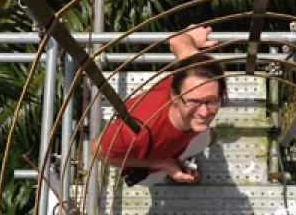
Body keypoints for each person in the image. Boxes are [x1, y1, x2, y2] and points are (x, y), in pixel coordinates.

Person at [93, 25, 227, 186]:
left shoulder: (200, 72)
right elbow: (98, 152)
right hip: (153, 161)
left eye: (212, 101)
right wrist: (161, 164)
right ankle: (172, 169)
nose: (204, 112)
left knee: (208, 136)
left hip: (183, 141)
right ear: (174, 95)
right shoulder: (136, 131)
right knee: (154, 179)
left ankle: (184, 160)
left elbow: (178, 39)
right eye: (194, 102)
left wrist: (190, 39)